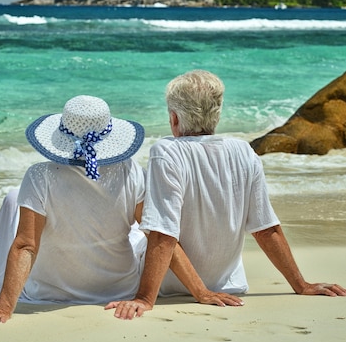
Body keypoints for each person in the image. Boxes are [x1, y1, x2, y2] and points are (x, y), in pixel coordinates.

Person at [106, 70, 346, 320]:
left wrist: (145, 299)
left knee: (135, 229)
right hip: (228, 285)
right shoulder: (243, 150)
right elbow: (265, 228)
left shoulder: (166, 151)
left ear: (174, 118)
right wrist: (301, 285)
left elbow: (163, 234)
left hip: (171, 286)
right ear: (217, 115)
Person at [0, 94, 148, 324]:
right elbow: (155, 234)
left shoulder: (40, 175)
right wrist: (146, 297)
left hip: (47, 295)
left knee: (13, 200)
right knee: (134, 233)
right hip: (119, 291)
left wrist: (3, 308)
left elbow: (26, 245)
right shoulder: (130, 171)